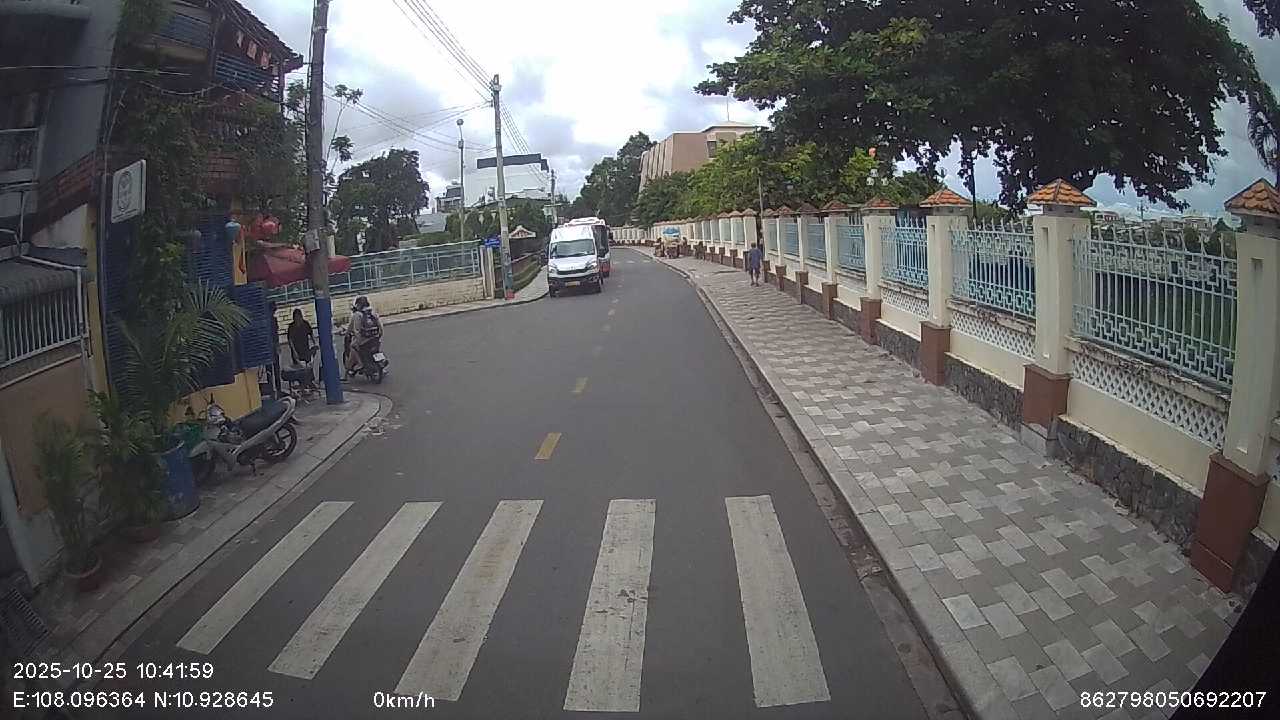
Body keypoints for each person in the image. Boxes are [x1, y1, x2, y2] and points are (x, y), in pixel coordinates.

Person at [345, 296, 382, 377]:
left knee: (353, 346)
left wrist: (357, 340)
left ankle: (360, 364)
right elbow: (380, 326)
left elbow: (356, 330)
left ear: (358, 305)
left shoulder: (357, 315)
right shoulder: (372, 312)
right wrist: (379, 335)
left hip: (364, 339)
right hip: (375, 338)